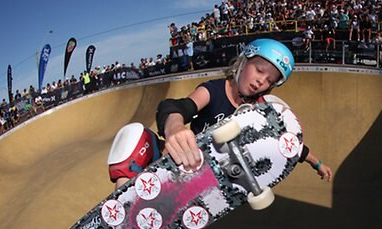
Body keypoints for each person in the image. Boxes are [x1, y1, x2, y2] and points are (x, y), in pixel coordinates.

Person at [108, 38, 333, 188]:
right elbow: (176, 108)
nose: (260, 82)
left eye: (269, 81)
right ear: (243, 63)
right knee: (135, 138)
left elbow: (288, 141)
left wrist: (317, 163)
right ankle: (121, 208)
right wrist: (174, 127)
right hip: (186, 163)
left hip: (215, 177)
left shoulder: (261, 108)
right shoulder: (213, 90)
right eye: (259, 70)